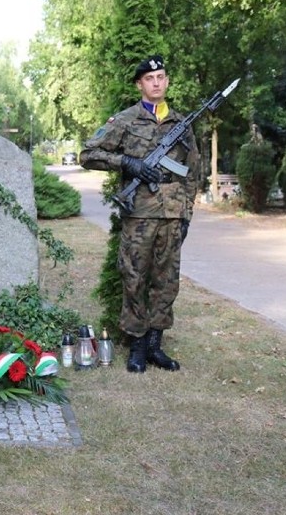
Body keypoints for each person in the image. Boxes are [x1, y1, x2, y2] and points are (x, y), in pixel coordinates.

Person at [79, 55, 199, 373]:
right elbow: (88, 154)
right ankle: (137, 346)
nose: (156, 82)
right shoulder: (125, 120)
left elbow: (192, 173)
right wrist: (127, 163)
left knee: (166, 282)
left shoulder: (182, 124)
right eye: (150, 78)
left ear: (167, 81)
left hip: (172, 216)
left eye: (161, 76)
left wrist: (186, 214)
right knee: (134, 279)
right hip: (140, 217)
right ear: (139, 84)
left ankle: (156, 347)